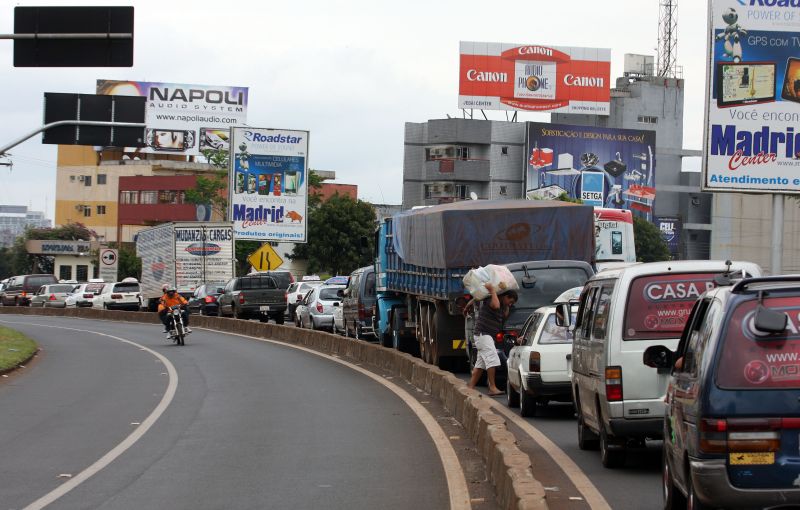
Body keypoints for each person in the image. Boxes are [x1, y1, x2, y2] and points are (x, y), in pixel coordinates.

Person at [467, 283, 518, 396]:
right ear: (505, 297)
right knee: (492, 359)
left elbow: (504, 315)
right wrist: (493, 290)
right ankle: (492, 387)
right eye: (510, 301)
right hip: (483, 334)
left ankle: (470, 387)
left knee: (480, 365)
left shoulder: (502, 306)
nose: (510, 304)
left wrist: (508, 305)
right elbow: (495, 305)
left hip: (486, 336)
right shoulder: (492, 299)